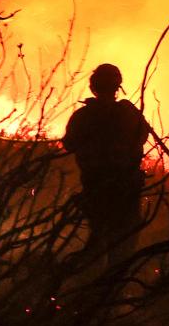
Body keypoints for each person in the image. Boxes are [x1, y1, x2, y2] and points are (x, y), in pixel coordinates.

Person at [62, 63, 151, 264]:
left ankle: (92, 288)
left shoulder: (83, 116)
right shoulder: (129, 114)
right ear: (117, 86)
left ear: (93, 86)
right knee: (123, 250)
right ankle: (114, 288)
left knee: (97, 246)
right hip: (127, 191)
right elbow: (142, 136)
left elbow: (69, 144)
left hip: (96, 190)